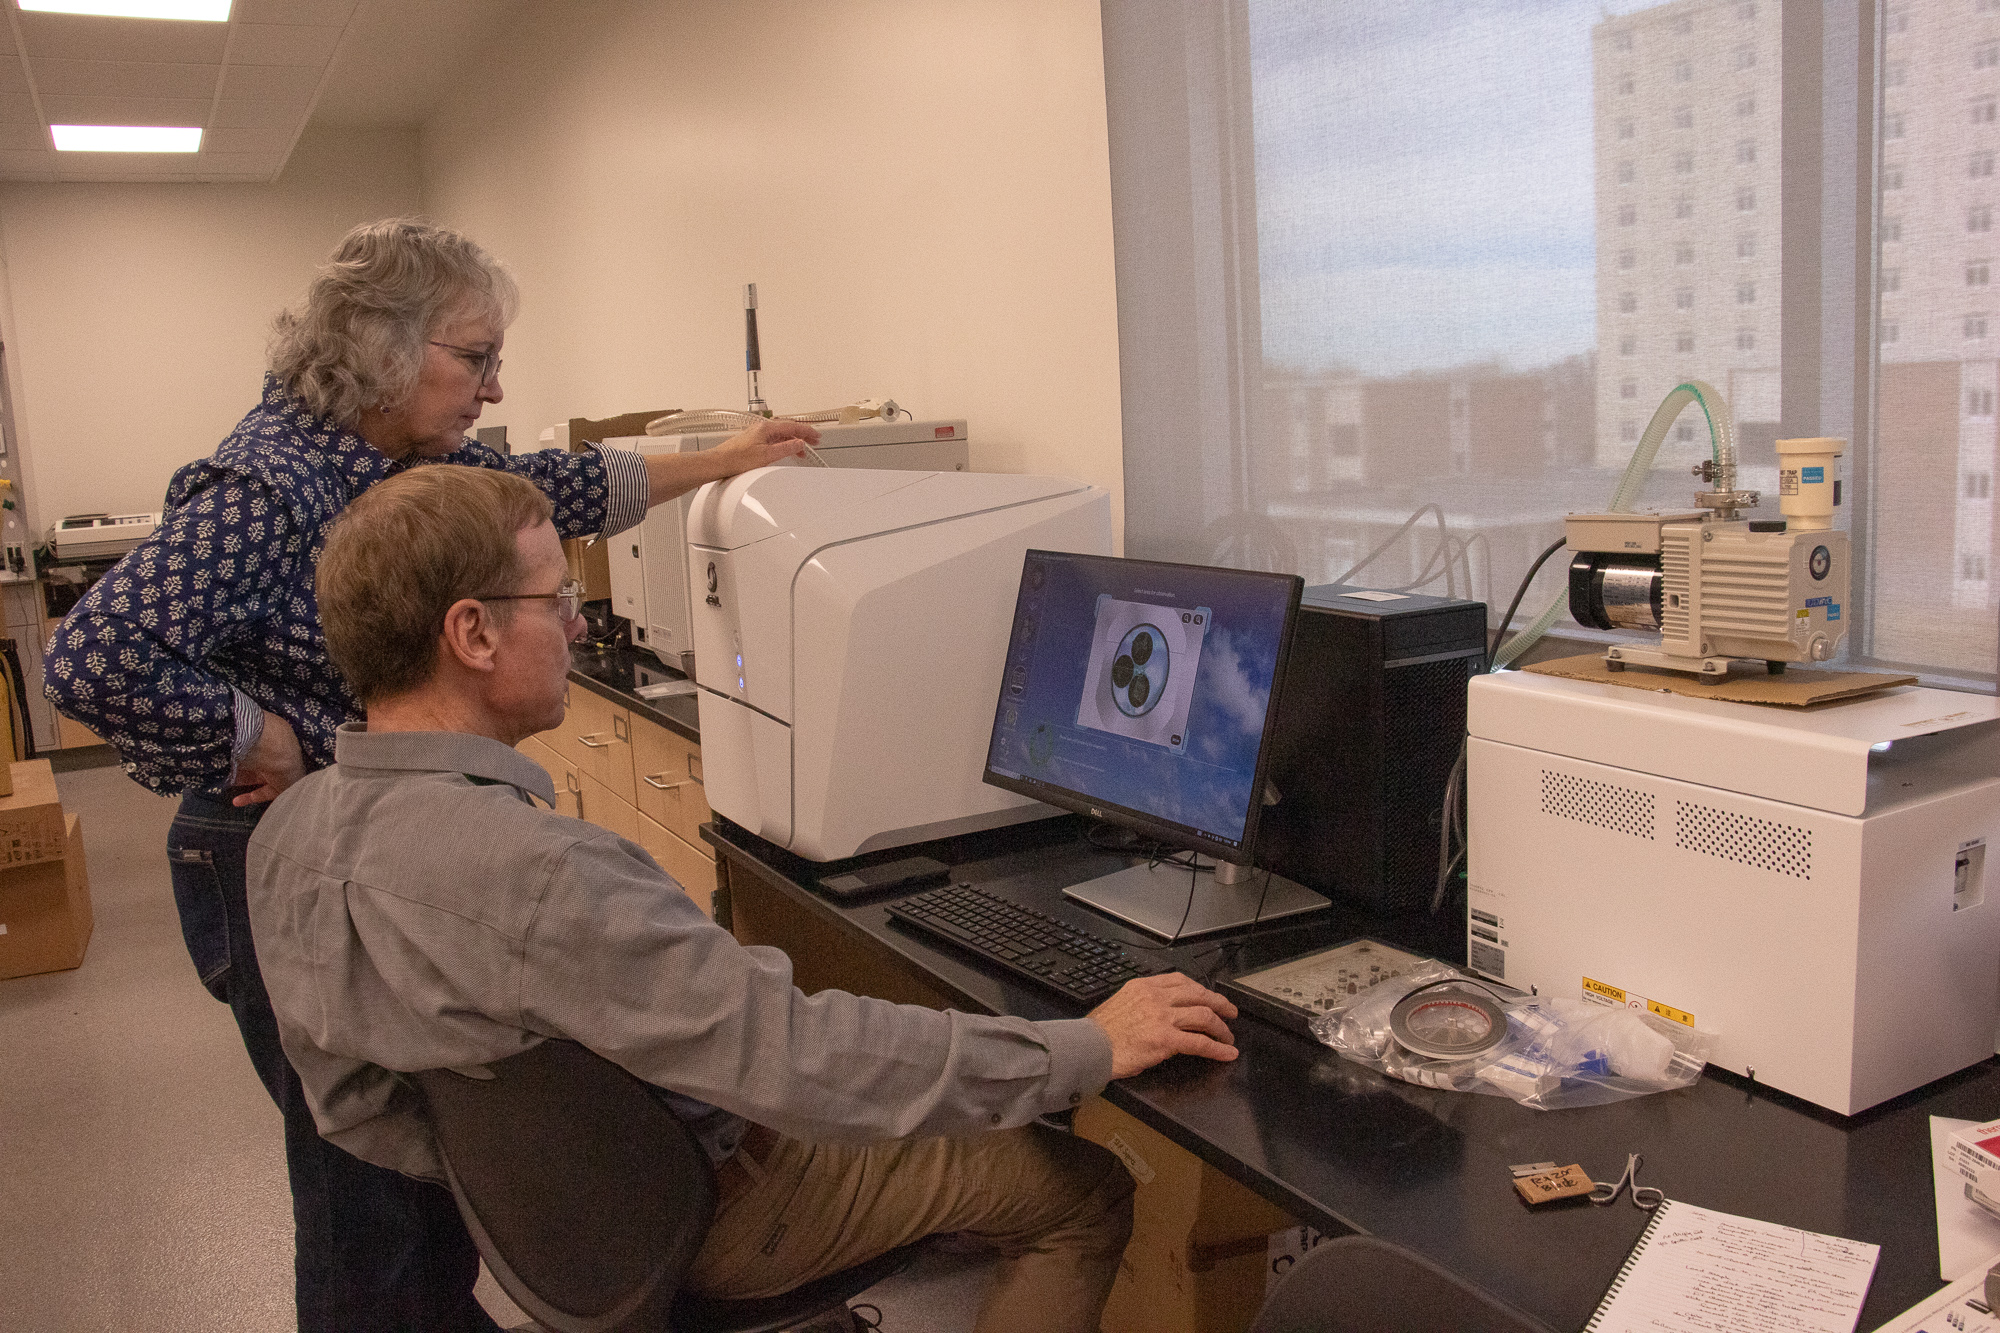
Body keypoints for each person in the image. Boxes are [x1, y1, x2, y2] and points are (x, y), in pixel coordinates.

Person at [243, 464, 1243, 1333]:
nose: (580, 623)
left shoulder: (285, 837)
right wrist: (1086, 1046)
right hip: (714, 1208)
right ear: (471, 632)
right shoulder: (547, 871)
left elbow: (354, 1104)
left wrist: (528, 1176)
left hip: (564, 1231)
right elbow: (806, 1063)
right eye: (555, 600)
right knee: (1078, 1187)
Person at [42, 218, 816, 1333]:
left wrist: (729, 459)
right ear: (381, 347)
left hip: (362, 827)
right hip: (275, 838)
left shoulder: (406, 462)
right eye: (476, 358)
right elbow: (94, 654)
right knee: (365, 1201)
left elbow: (554, 482)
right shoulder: (272, 486)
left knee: (424, 1169)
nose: (495, 389)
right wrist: (257, 733)